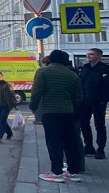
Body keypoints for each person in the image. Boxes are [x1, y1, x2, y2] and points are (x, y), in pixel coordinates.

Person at [30, 49, 84, 183]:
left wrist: (33, 106)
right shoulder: (72, 75)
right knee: (70, 142)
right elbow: (78, 96)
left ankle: (56, 172)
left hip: (51, 112)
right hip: (69, 113)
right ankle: (73, 171)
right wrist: (74, 109)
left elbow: (37, 91)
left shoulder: (43, 72)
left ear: (51, 59)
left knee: (54, 142)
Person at [78, 48, 109, 159]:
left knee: (99, 125)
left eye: (91, 54)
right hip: (85, 101)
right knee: (84, 123)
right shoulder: (85, 68)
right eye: (87, 54)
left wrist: (104, 99)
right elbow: (81, 84)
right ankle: (89, 146)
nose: (88, 56)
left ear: (98, 56)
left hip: (99, 102)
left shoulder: (104, 69)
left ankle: (101, 149)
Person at [0, 71, 16, 142]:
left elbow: (12, 95)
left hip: (6, 106)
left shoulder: (6, 85)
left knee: (2, 120)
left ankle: (0, 135)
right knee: (3, 121)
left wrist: (13, 104)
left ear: (2, 76)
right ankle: (9, 133)